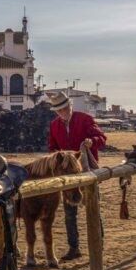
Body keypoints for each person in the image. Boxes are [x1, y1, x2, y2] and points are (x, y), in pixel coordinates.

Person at [46, 91, 106, 260]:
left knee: (93, 209)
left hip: (87, 172)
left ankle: (98, 245)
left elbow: (101, 138)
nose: (63, 113)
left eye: (65, 108)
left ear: (70, 106)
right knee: (69, 213)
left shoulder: (85, 119)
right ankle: (74, 248)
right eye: (59, 111)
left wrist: (91, 142)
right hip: (68, 177)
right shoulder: (54, 125)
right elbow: (52, 147)